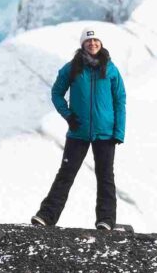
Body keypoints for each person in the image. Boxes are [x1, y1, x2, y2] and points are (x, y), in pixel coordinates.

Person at [33, 28, 125, 230]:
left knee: (105, 177)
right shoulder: (71, 68)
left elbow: (120, 100)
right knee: (66, 173)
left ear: (101, 44)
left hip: (105, 134)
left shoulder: (111, 69)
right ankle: (46, 216)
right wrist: (68, 116)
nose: (93, 44)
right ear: (82, 44)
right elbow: (57, 93)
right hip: (78, 132)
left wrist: (119, 131)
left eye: (96, 40)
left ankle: (106, 220)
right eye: (88, 41)